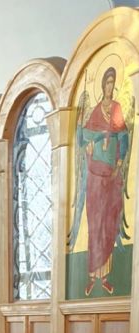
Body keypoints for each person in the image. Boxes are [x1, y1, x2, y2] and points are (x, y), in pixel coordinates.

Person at [70, 66, 132, 296]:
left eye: (112, 83)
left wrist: (119, 161)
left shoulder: (116, 109)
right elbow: (82, 138)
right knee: (94, 223)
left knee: (108, 222)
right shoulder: (97, 110)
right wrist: (81, 129)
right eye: (106, 82)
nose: (109, 86)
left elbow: (123, 137)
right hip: (95, 175)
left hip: (111, 176)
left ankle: (105, 276)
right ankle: (91, 276)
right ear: (102, 85)